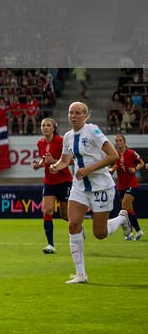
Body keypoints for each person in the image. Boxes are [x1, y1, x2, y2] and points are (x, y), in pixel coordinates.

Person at [61, 99, 119, 284]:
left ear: (86, 116)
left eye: (78, 112)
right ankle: (80, 274)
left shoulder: (93, 130)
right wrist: (54, 166)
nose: (73, 116)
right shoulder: (68, 136)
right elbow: (64, 160)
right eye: (71, 112)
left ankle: (123, 218)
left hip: (100, 185)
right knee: (73, 225)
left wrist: (88, 169)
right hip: (79, 186)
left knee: (100, 234)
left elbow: (113, 156)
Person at [36, 116, 71, 254]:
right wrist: (38, 165)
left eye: (48, 125)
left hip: (64, 181)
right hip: (49, 181)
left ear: (54, 127)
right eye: (43, 125)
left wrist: (54, 162)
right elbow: (44, 160)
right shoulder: (40, 143)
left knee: (65, 216)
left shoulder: (62, 141)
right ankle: (50, 245)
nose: (45, 127)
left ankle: (78, 229)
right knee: (47, 210)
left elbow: (71, 161)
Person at [112, 131, 140, 241]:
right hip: (121, 186)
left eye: (120, 140)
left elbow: (141, 162)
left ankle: (128, 233)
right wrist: (111, 169)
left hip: (132, 184)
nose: (118, 143)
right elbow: (110, 169)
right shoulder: (114, 155)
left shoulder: (131, 153)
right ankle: (138, 231)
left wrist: (135, 169)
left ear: (124, 142)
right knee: (128, 210)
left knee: (124, 207)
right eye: (117, 141)